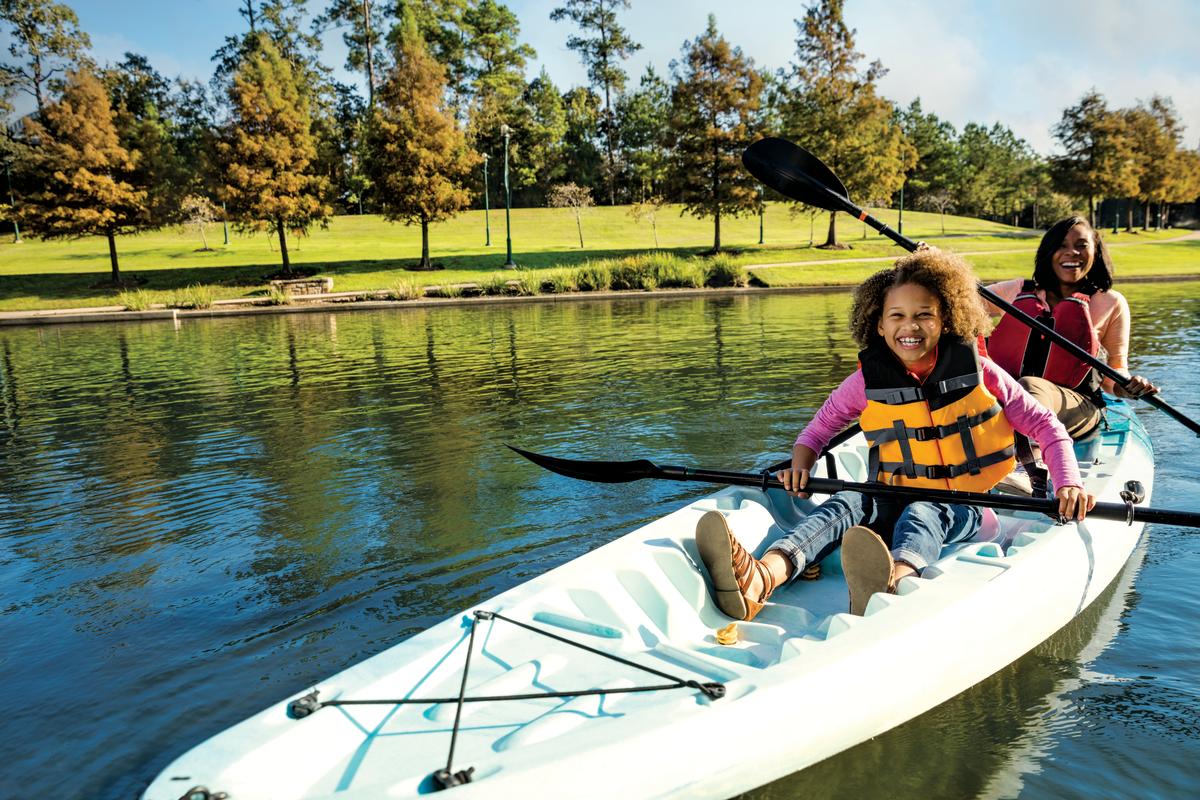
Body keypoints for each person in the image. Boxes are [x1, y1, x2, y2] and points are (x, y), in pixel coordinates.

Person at [695, 249, 1096, 621]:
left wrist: (1068, 484)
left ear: (947, 320)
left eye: (924, 315)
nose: (911, 326)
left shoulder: (983, 374)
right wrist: (802, 463)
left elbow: (1047, 427)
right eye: (897, 316)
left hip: (968, 504)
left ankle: (893, 585)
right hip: (892, 492)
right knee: (847, 502)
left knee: (924, 511)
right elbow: (819, 429)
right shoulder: (865, 381)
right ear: (879, 325)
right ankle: (764, 576)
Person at [985, 216, 1159, 441]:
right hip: (1007, 398)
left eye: (1081, 246)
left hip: (1077, 406)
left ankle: (1031, 462)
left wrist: (1128, 386)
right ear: (1049, 252)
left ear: (1095, 251)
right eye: (1061, 246)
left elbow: (1114, 373)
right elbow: (955, 301)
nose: (1071, 253)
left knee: (1029, 388)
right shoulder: (1016, 291)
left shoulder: (1110, 303)